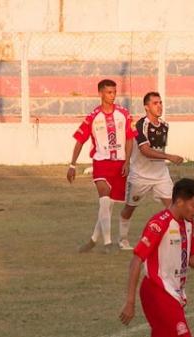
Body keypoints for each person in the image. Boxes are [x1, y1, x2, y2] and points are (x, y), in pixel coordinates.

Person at [119, 178, 194, 337]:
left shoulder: (188, 223)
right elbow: (136, 261)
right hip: (157, 291)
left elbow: (193, 260)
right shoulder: (159, 224)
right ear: (180, 202)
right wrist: (130, 302)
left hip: (173, 293)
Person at [67, 79, 137, 253]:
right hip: (101, 163)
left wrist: (128, 161)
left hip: (120, 163)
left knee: (108, 205)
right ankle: (108, 243)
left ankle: (93, 240)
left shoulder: (124, 114)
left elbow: (130, 138)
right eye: (108, 92)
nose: (112, 96)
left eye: (114, 92)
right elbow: (79, 141)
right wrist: (72, 165)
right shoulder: (92, 117)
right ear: (100, 93)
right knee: (104, 199)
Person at [117, 92, 183, 250]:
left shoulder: (165, 126)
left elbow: (158, 148)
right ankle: (123, 239)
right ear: (146, 107)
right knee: (129, 208)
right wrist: (169, 157)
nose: (160, 106)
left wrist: (165, 159)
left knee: (173, 207)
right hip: (140, 175)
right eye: (155, 103)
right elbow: (145, 151)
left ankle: (176, 239)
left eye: (160, 102)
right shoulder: (140, 126)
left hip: (161, 175)